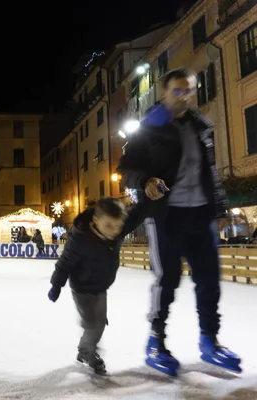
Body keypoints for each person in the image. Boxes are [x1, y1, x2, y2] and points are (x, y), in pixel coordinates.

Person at [117, 68, 241, 376]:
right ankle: (156, 342)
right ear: (163, 92)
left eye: (188, 90)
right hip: (165, 215)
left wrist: (221, 208)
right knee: (168, 279)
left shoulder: (201, 125)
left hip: (200, 214)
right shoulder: (149, 127)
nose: (183, 96)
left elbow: (209, 172)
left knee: (209, 281)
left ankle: (210, 342)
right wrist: (144, 180)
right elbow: (126, 168)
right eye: (177, 90)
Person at [48, 197, 148, 375]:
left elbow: (138, 215)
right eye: (109, 226)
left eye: (118, 226)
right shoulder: (81, 239)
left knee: (99, 323)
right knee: (93, 324)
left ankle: (84, 348)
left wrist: (149, 198)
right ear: (95, 220)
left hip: (101, 288)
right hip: (82, 289)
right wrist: (56, 284)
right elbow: (65, 263)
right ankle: (88, 352)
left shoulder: (117, 230)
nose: (114, 231)